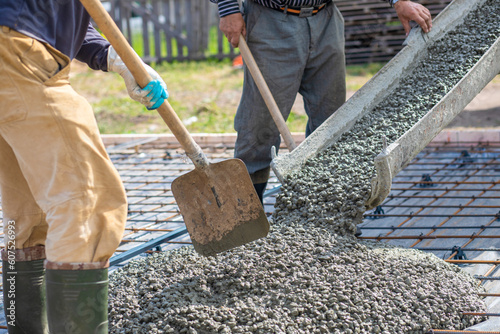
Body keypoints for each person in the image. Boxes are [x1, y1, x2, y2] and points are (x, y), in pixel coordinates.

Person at [0, 1, 167, 333]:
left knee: (28, 213)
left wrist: (110, 56)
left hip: (12, 48)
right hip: (18, 53)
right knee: (87, 205)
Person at [211, 0, 432, 202]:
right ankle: (247, 210)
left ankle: (323, 207)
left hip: (324, 18)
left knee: (331, 120)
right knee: (260, 122)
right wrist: (228, 8)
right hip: (271, 19)